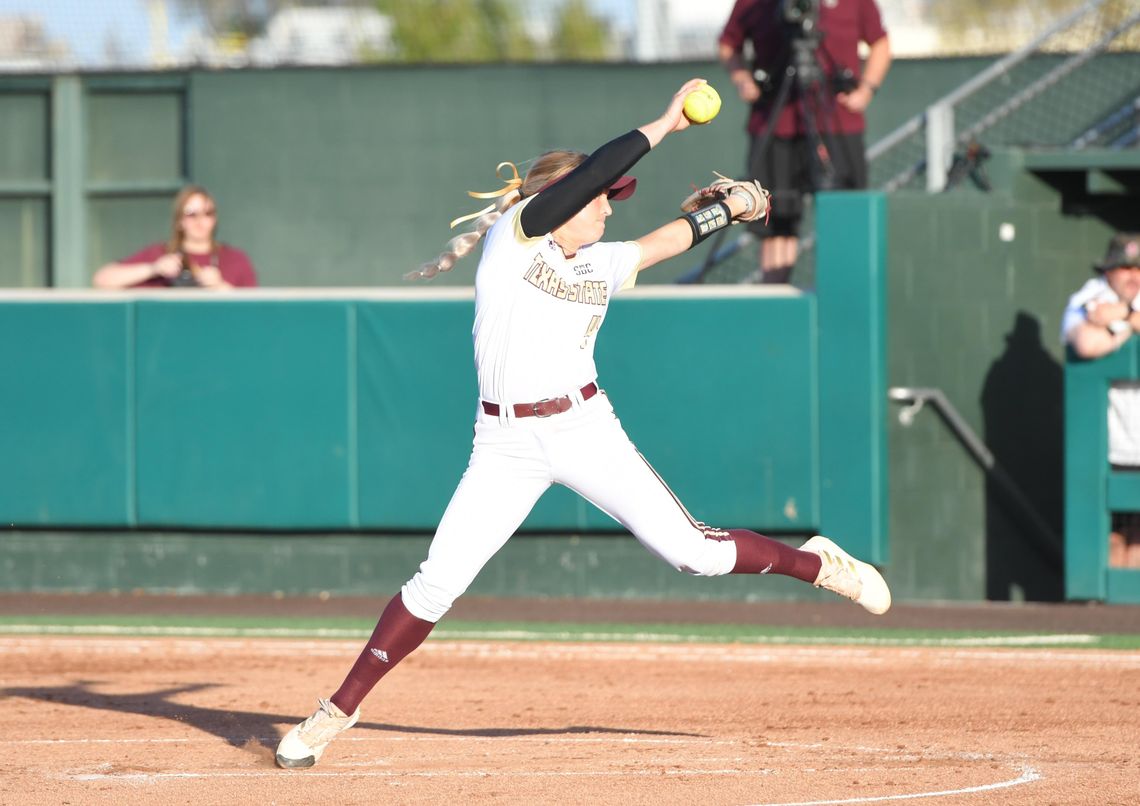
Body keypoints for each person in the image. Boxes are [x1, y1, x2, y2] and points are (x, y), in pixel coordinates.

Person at [274, 79, 891, 771]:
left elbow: (667, 239)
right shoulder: (516, 243)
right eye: (601, 196)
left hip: (585, 428)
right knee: (436, 583)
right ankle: (335, 713)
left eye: (611, 197)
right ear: (556, 201)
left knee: (698, 554)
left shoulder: (598, 261)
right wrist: (666, 123)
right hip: (505, 446)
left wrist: (732, 211)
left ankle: (817, 564)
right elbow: (596, 171)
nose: (608, 204)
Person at [718, 0, 891, 284]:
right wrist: (742, 80)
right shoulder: (753, 4)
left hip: (837, 123)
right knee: (776, 224)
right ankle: (774, 305)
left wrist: (867, 90)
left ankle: (844, 296)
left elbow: (881, 44)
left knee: (845, 219)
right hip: (775, 124)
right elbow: (728, 44)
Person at [1061, 232, 1140, 568]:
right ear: (1108, 271)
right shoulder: (1091, 296)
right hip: (1110, 446)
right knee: (1112, 542)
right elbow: (1087, 344)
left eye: (1138, 268)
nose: (1134, 276)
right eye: (1125, 268)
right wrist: (1128, 322)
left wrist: (1119, 317)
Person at [92, 185, 258, 289]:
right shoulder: (160, 254)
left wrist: (220, 286)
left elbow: (254, 311)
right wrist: (154, 269)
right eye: (192, 214)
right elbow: (102, 280)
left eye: (208, 214)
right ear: (179, 220)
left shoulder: (235, 259)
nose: (200, 221)